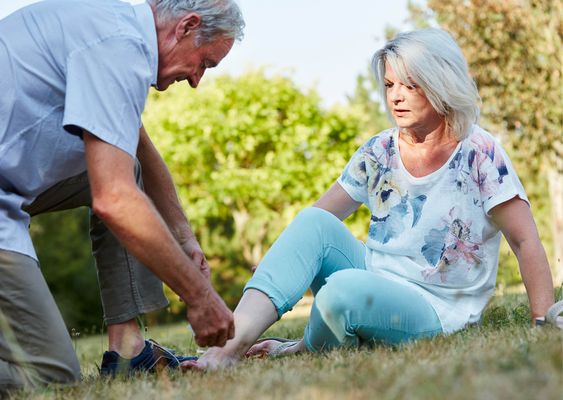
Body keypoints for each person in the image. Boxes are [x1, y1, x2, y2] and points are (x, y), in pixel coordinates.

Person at [181, 28, 555, 370]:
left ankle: (300, 348)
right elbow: (319, 220)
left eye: (410, 85)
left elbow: (524, 241)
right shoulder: (379, 150)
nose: (395, 96)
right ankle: (228, 348)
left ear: (440, 84)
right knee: (314, 225)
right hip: (375, 276)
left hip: (436, 308)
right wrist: (280, 260)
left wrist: (542, 321)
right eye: (390, 84)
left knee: (340, 292)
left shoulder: (481, 152)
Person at [0, 0, 244, 390]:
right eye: (205, 63)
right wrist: (200, 298)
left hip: (8, 188)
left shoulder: (112, 27)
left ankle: (128, 351)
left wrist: (183, 236)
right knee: (51, 376)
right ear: (186, 26)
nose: (198, 80)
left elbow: (139, 151)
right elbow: (114, 199)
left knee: (121, 166)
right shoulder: (120, 46)